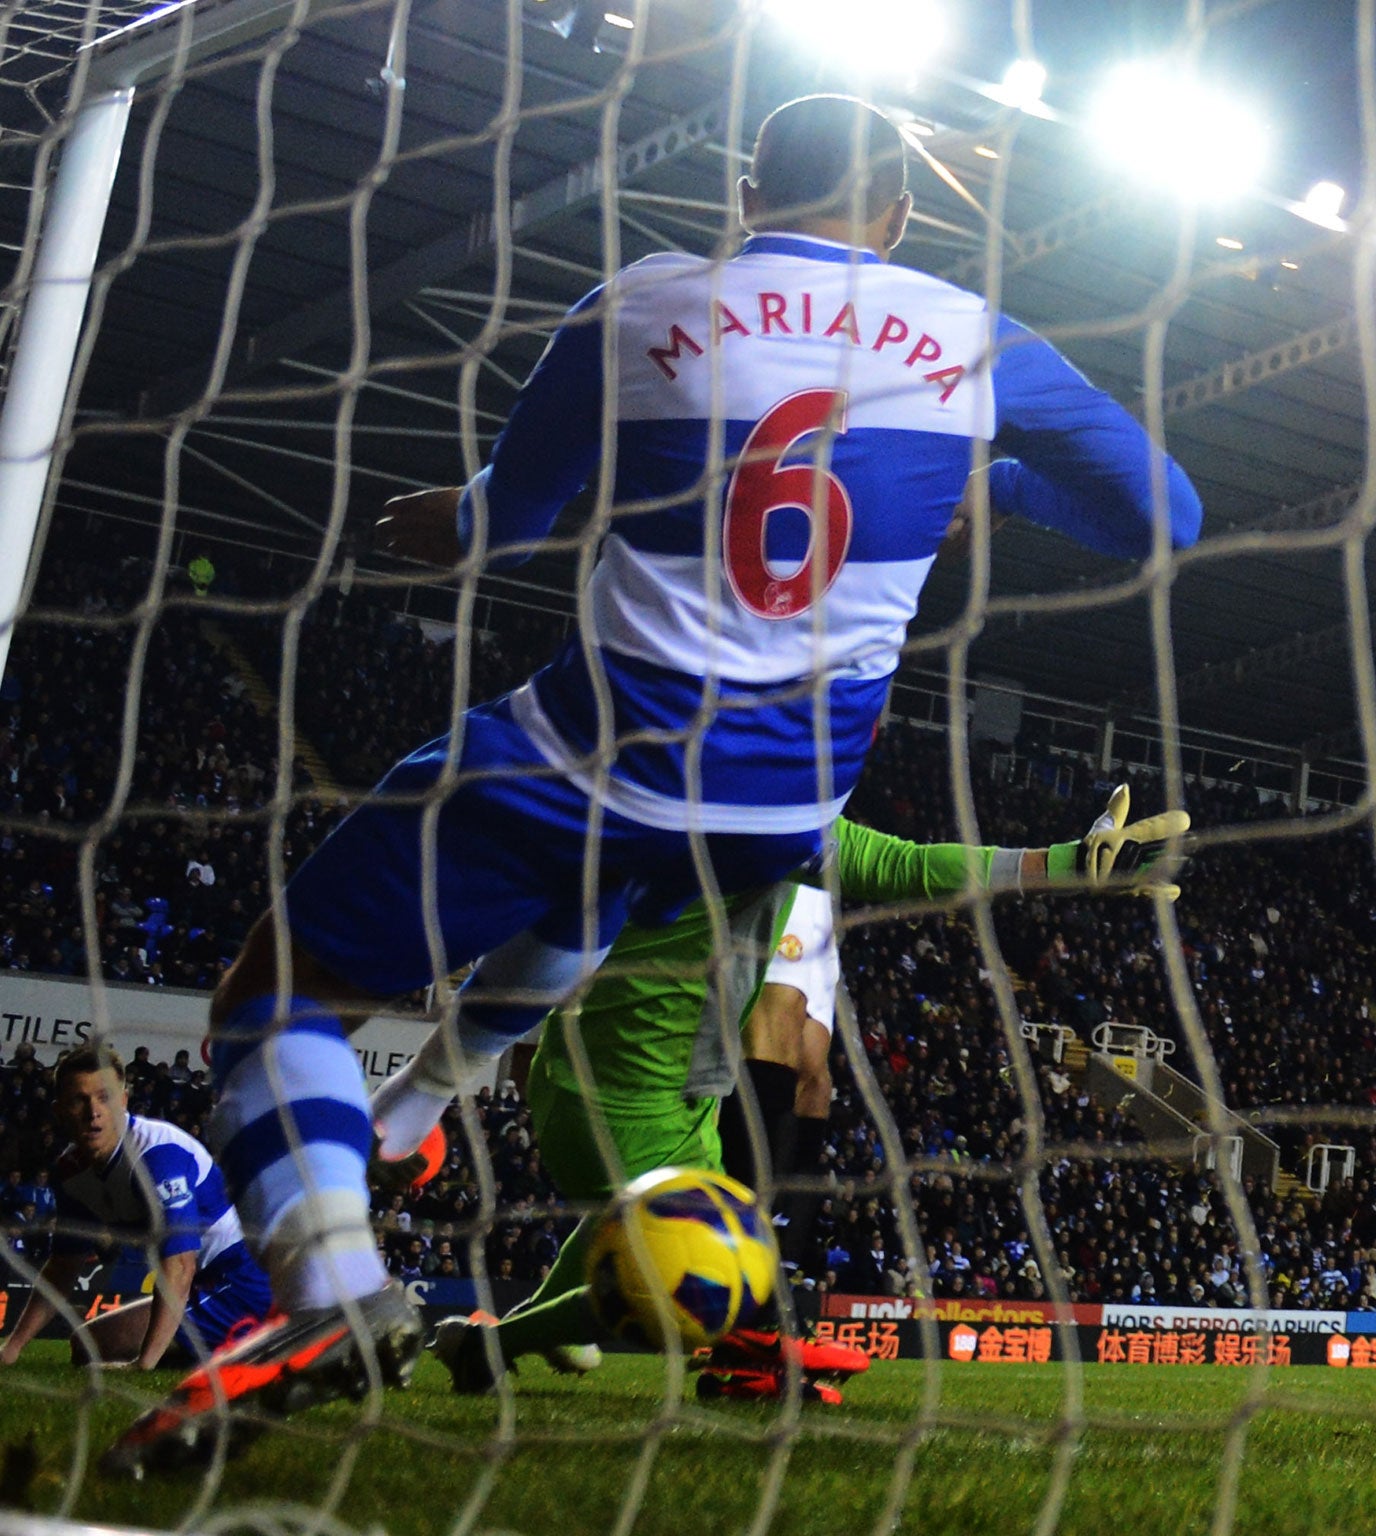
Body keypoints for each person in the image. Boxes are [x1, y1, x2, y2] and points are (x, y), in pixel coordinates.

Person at [111, 92, 1199, 1476]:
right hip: (783, 812)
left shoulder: (640, 303)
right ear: (902, 219)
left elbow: (505, 525)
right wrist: (994, 480)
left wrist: (443, 519)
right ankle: (428, 1105)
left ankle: (333, 1298)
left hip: (603, 762)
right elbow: (1170, 515)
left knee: (273, 999)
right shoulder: (980, 339)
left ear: (748, 190)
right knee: (610, 892)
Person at [429, 787, 1185, 1403]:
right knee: (690, 1286)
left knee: (640, 1231)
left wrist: (1066, 862)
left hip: (649, 1084)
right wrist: (1063, 863)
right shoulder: (762, 818)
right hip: (621, 1099)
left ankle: (511, 1335)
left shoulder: (689, 790)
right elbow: (911, 869)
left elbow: (910, 864)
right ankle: (498, 1341)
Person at [0, 1046, 269, 1371]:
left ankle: (255, 1344)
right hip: (201, 1281)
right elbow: (63, 1266)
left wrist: (144, 1364)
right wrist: (11, 1349)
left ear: (124, 1101)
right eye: (79, 1100)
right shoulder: (72, 1173)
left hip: (240, 1276)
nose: (93, 1112)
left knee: (110, 1345)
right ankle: (217, 1350)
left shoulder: (158, 1156)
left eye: (104, 1098)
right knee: (87, 1345)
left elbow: (180, 1267)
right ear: (59, 1111)